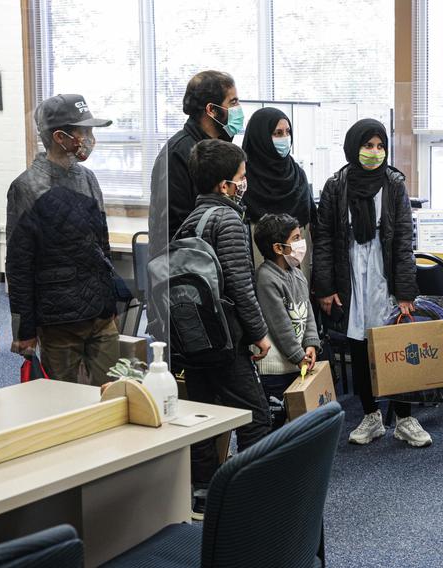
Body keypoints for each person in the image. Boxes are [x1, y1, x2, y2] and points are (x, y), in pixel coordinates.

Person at [313, 118, 431, 448]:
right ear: (354, 147)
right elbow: (324, 238)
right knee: (360, 343)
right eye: (368, 146)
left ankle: (405, 418)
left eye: (380, 146)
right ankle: (371, 416)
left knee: (394, 342)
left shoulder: (394, 183)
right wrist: (325, 286)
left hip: (384, 269)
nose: (375, 152)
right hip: (349, 270)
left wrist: (406, 291)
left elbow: (404, 239)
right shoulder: (337, 185)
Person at [171, 139, 272, 519]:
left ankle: (202, 493)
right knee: (256, 415)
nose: (245, 183)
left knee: (200, 416)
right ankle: (251, 494)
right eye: (241, 178)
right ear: (225, 186)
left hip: (193, 337)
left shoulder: (190, 220)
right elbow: (240, 286)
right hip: (226, 339)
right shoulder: (227, 219)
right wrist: (260, 334)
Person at [6, 94, 120, 386]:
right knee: (65, 406)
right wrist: (24, 330)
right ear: (60, 136)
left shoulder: (89, 178)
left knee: (113, 397)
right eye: (85, 131)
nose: (91, 138)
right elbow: (19, 265)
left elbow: (102, 246)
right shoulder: (26, 187)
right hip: (59, 321)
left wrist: (110, 303)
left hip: (101, 315)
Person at [149, 70, 243, 258]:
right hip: (191, 266)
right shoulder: (177, 153)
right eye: (233, 102)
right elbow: (174, 225)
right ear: (211, 110)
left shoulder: (221, 148)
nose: (239, 108)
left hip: (219, 257)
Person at [252, 213, 320, 428]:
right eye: (296, 238)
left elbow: (307, 311)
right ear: (278, 248)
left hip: (297, 363)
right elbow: (279, 325)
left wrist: (310, 343)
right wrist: (298, 355)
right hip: (275, 369)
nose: (301, 243)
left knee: (298, 423)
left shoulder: (297, 273)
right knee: (276, 425)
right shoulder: (266, 277)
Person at [242, 107, 316, 275]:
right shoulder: (245, 179)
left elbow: (311, 222)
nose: (285, 138)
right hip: (260, 268)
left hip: (299, 269)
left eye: (288, 132)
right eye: (277, 133)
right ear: (260, 138)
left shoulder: (298, 175)